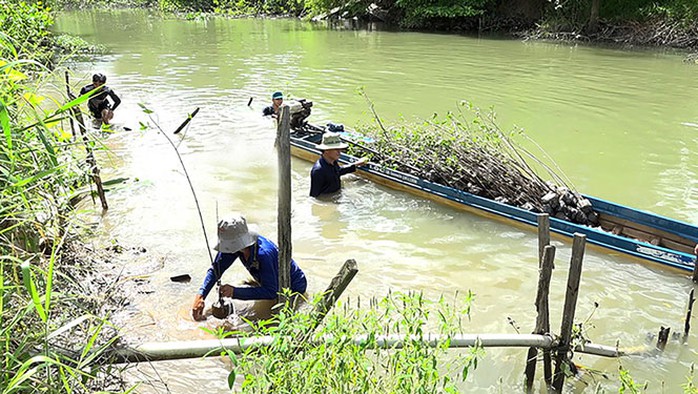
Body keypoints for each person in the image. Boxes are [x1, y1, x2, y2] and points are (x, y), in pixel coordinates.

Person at [191, 214, 307, 321]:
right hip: (269, 281)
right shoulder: (236, 248)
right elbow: (216, 269)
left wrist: (234, 292)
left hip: (292, 287)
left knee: (272, 319)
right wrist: (201, 296)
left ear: (236, 243)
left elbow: (271, 292)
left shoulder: (263, 254)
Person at [309, 132, 368, 197]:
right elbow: (313, 196)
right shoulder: (318, 171)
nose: (339, 152)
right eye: (336, 149)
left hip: (337, 195)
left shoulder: (333, 162)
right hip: (328, 200)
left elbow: (338, 171)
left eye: (340, 149)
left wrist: (356, 164)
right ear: (326, 150)